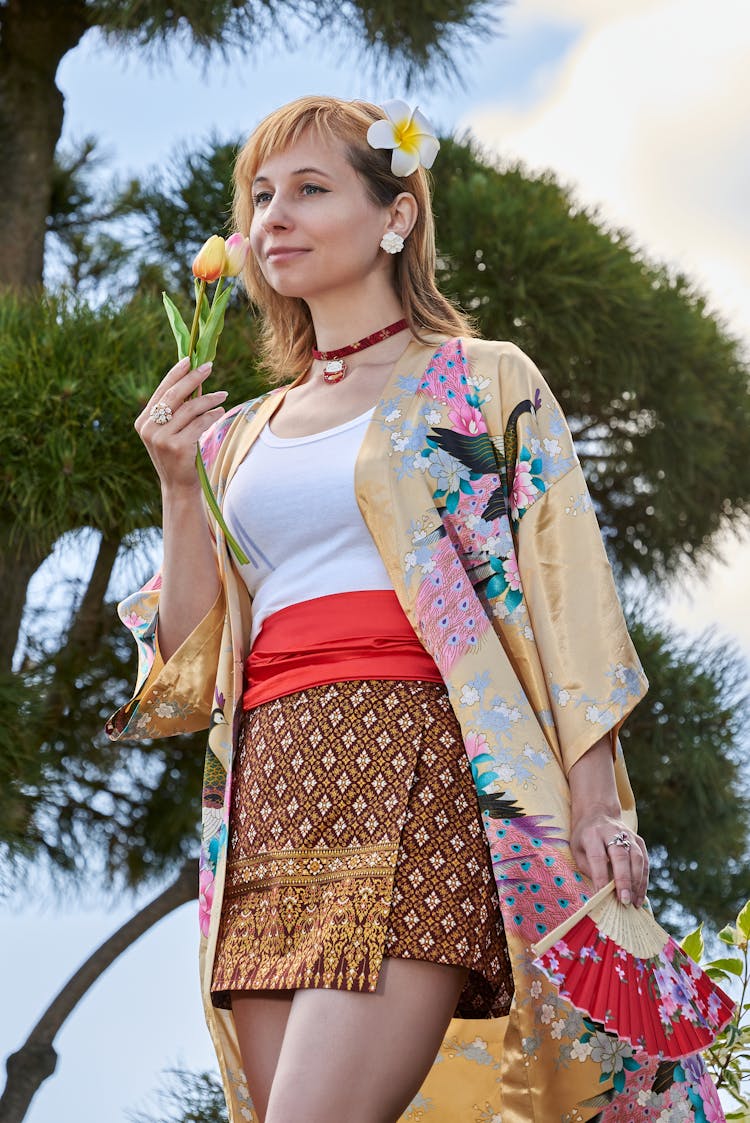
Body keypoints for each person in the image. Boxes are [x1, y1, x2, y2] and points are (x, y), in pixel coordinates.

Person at [107, 97, 725, 1123]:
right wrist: (178, 487)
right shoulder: (238, 435)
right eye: (260, 198)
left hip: (419, 762)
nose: (272, 220)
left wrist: (597, 798)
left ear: (395, 215)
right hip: (270, 790)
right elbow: (182, 669)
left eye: (309, 190)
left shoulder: (483, 382)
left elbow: (566, 593)